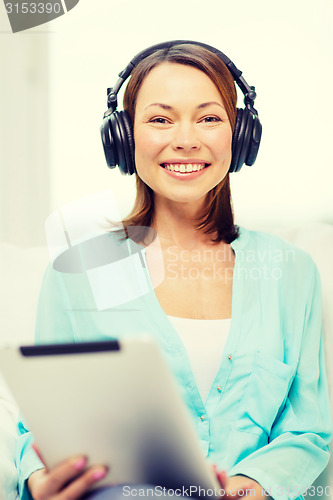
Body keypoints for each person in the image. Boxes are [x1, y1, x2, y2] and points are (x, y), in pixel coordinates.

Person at [16, 41, 332, 500]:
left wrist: (255, 487)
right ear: (123, 139)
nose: (186, 139)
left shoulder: (290, 272)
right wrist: (38, 479)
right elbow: (39, 427)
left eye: (209, 117)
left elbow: (308, 433)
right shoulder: (77, 273)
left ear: (241, 135)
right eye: (160, 119)